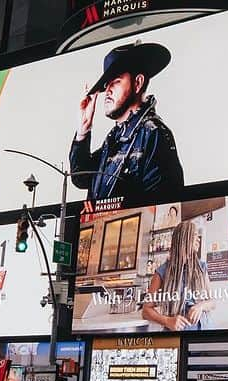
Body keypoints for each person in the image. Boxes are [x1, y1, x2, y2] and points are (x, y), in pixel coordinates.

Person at [69, 41, 184, 201]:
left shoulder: (153, 134)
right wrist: (83, 129)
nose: (108, 90)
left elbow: (162, 206)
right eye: (106, 84)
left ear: (137, 83)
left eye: (115, 81)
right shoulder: (114, 137)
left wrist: (108, 211)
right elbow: (80, 178)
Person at [141, 220, 215, 331]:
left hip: (205, 332)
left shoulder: (201, 268)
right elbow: (146, 310)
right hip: (177, 337)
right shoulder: (161, 272)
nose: (198, 238)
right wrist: (167, 321)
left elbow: (212, 302)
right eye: (194, 235)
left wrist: (201, 306)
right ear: (184, 239)